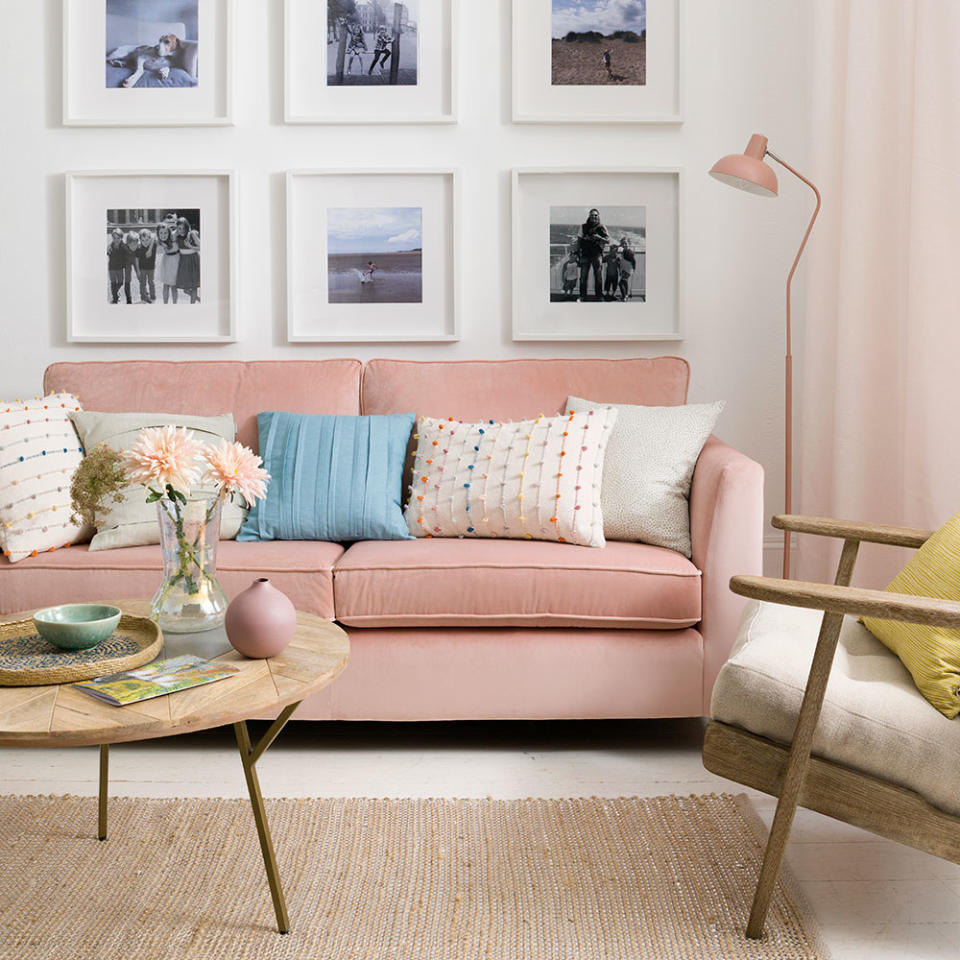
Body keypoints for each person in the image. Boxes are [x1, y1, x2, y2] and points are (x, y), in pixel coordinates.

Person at [577, 209, 610, 301]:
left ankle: (599, 296)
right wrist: (577, 253)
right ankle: (582, 296)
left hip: (597, 255)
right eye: (592, 215)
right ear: (589, 216)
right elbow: (579, 241)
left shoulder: (602, 227)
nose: (593, 217)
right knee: (583, 277)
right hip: (585, 254)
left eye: (595, 215)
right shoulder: (583, 226)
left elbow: (608, 240)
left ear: (598, 216)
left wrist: (599, 237)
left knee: (598, 277)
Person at [175, 217, 200, 304]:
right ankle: (199, 299)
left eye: (183, 228)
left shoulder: (192, 235)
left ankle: (192, 305)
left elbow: (201, 246)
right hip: (183, 262)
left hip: (193, 260)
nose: (181, 230)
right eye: (179, 228)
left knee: (194, 286)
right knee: (185, 289)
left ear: (187, 227)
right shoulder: (177, 237)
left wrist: (191, 246)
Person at [157, 220, 180, 304]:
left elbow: (181, 227)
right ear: (158, 234)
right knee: (166, 285)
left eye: (165, 233)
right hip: (166, 261)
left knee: (174, 285)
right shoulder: (160, 241)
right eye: (161, 233)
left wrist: (173, 221)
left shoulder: (173, 236)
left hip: (176, 261)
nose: (163, 235)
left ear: (169, 232)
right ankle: (165, 304)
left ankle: (175, 304)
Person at [137, 228, 157, 303]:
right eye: (143, 240)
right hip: (142, 268)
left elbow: (155, 238)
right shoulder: (139, 247)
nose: (145, 242)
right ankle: (143, 297)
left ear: (150, 239)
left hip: (151, 268)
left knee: (151, 282)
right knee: (142, 283)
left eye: (147, 240)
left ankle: (153, 296)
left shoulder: (153, 245)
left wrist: (150, 245)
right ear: (140, 240)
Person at [618, 237, 637, 301]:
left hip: (628, 270)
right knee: (625, 282)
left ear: (629, 244)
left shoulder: (629, 252)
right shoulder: (624, 250)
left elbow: (634, 261)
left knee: (620, 283)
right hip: (624, 269)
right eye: (623, 244)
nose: (624, 245)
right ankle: (626, 294)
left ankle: (624, 297)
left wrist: (634, 269)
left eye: (625, 243)